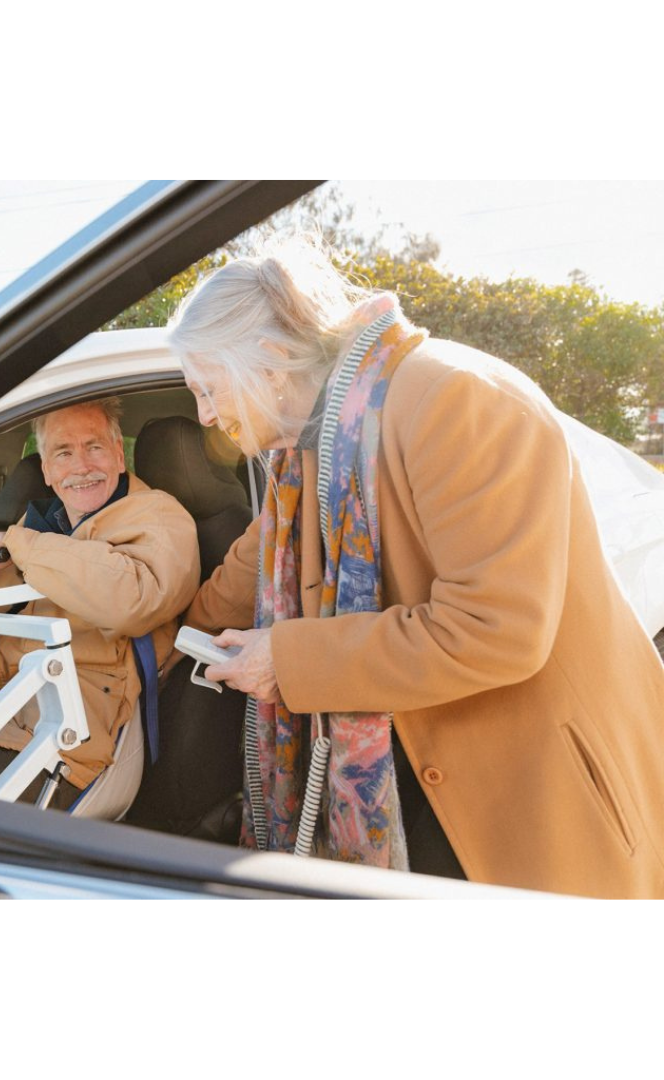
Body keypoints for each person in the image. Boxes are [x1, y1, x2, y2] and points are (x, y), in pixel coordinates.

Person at [169, 246, 664, 898]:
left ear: (270, 360)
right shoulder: (319, 443)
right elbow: (254, 567)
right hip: (434, 798)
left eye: (208, 387)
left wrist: (287, 660)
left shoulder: (452, 397)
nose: (204, 415)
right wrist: (163, 637)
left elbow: (496, 628)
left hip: (536, 805)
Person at [0, 398, 200, 813]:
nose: (81, 466)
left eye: (94, 447)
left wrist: (19, 544)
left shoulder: (160, 517)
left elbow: (135, 601)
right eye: (63, 453)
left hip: (68, 742)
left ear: (119, 454)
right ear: (45, 469)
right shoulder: (44, 524)